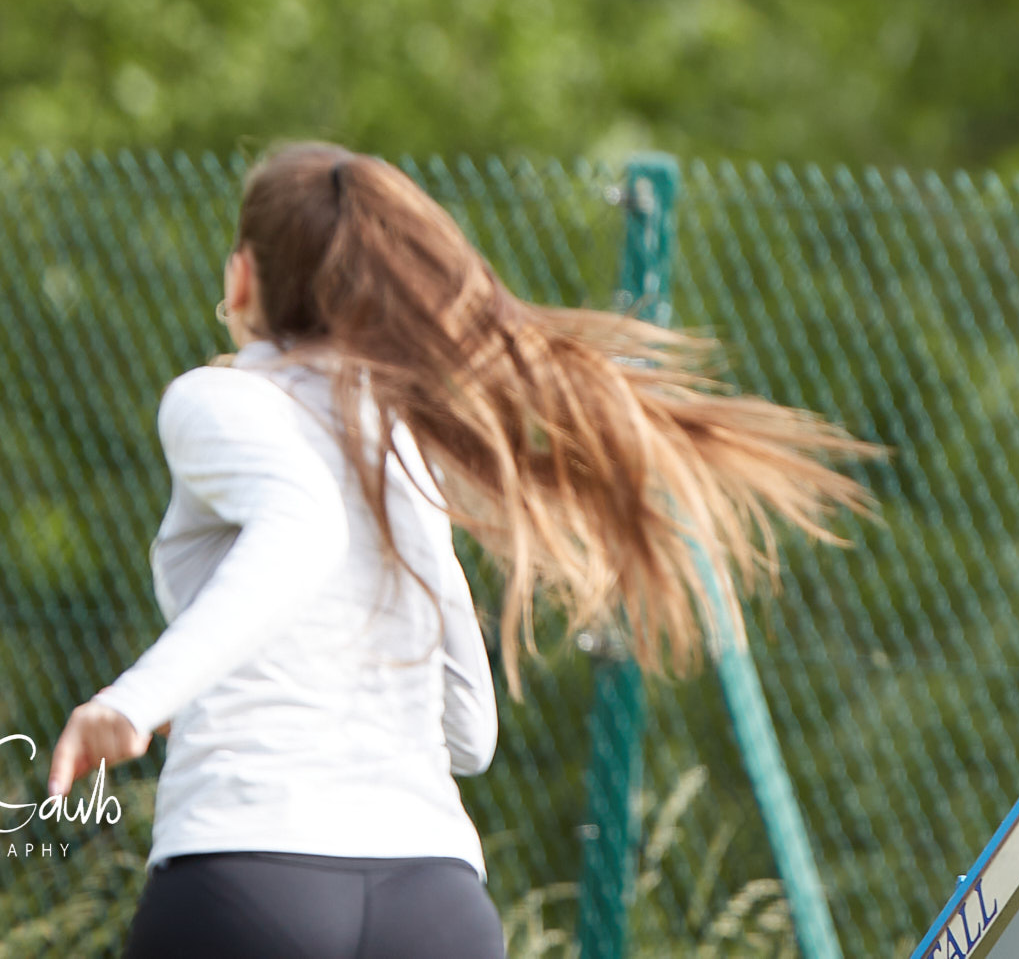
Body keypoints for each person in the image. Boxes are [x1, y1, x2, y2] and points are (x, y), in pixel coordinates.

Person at [45, 144, 874, 959]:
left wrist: (134, 701)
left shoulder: (218, 398)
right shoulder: (399, 438)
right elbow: (470, 733)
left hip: (251, 881)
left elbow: (302, 528)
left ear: (242, 279)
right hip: (432, 899)